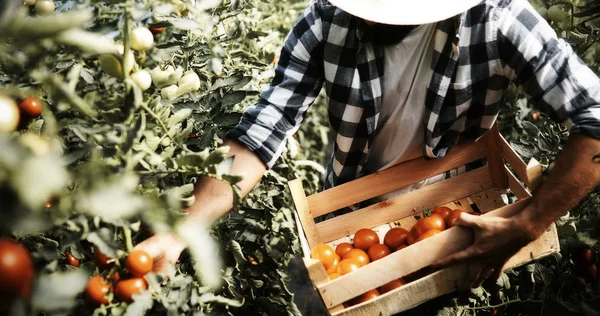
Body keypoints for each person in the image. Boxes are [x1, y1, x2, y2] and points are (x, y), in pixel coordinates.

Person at [136, 0, 600, 290]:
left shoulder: (497, 20)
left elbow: (595, 120)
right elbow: (260, 133)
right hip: (347, 223)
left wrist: (529, 223)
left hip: (455, 227)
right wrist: (184, 230)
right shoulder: (325, 21)